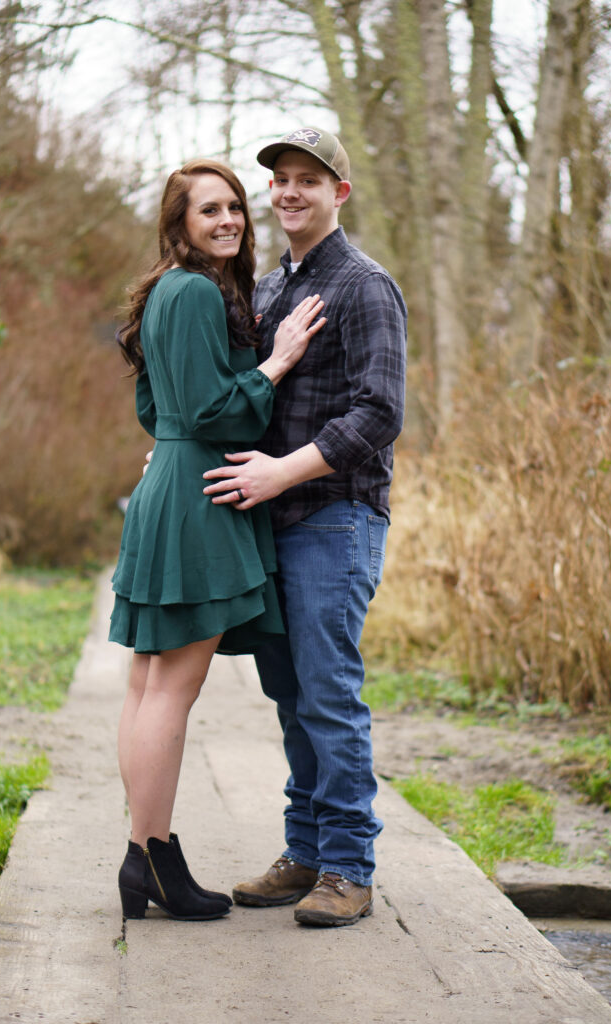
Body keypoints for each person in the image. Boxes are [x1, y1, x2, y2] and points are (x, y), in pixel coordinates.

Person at [109, 158, 326, 922]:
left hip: (169, 483)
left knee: (147, 685)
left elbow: (156, 405)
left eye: (234, 206)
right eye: (209, 210)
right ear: (181, 224)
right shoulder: (198, 291)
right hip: (203, 499)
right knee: (171, 687)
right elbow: (215, 411)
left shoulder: (164, 291)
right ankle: (150, 858)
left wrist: (173, 439)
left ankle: (148, 859)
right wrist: (277, 361)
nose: (228, 220)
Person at [203, 128, 407, 927]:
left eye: (307, 181)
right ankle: (306, 851)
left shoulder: (362, 284)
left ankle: (349, 869)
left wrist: (282, 471)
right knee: (290, 696)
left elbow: (379, 412)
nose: (289, 192)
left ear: (339, 194)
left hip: (333, 517)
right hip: (270, 523)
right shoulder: (266, 287)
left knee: (327, 696)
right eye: (280, 180)